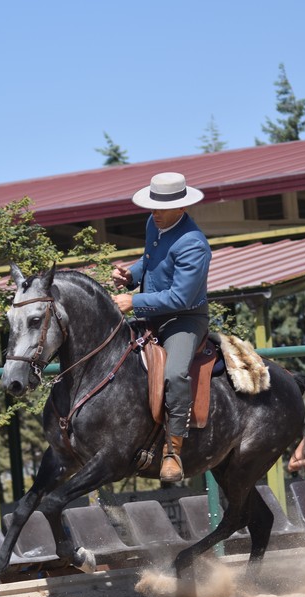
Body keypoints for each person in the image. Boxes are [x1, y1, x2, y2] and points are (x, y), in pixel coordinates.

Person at [111, 172, 211, 483]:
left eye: (160, 206)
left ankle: (173, 451)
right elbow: (151, 260)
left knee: (174, 373)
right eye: (152, 205)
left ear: (181, 208)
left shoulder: (194, 244)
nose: (153, 211)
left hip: (184, 319)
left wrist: (134, 300)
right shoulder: (154, 223)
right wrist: (131, 275)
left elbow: (181, 297)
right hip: (153, 313)